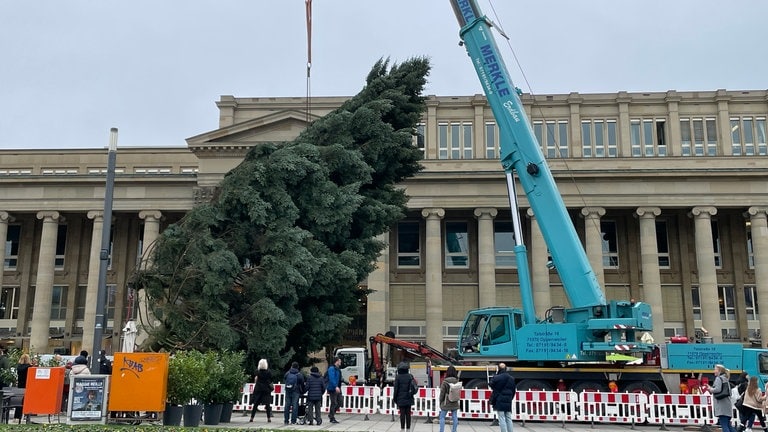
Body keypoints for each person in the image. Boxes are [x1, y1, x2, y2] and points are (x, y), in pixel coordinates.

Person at [708, 364, 737, 432]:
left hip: (722, 406)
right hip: (726, 405)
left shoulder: (719, 378)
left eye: (715, 369)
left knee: (724, 425)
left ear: (719, 371)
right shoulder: (725, 378)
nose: (714, 371)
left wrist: (710, 389)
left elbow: (717, 389)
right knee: (728, 425)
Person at [490, 362, 516, 432]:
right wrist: (510, 398)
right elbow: (513, 390)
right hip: (508, 399)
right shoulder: (511, 378)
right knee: (508, 417)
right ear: (506, 368)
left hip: (499, 399)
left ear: (498, 368)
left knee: (501, 418)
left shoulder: (496, 377)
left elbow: (491, 384)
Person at [392, 361, 415, 432]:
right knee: (408, 414)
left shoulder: (398, 377)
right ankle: (408, 428)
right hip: (409, 397)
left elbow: (396, 389)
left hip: (400, 398)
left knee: (402, 414)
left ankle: (402, 428)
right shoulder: (410, 376)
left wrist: (395, 398)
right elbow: (413, 387)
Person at [249, 358, 273, 423]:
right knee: (267, 404)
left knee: (255, 404)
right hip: (266, 389)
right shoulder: (269, 372)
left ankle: (252, 417)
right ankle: (268, 418)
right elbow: (271, 379)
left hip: (258, 388)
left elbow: (256, 379)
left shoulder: (257, 371)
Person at [439, 365, 460, 432]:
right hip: (454, 400)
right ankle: (454, 430)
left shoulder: (445, 382)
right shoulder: (457, 381)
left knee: (442, 417)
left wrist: (440, 401)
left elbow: (442, 393)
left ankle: (441, 431)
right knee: (454, 417)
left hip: (446, 401)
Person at [326, 356, 342, 424]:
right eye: (339, 361)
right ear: (337, 361)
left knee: (340, 402)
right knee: (334, 403)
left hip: (338, 388)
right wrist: (335, 386)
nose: (340, 362)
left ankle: (331, 414)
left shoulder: (338, 369)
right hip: (333, 388)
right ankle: (331, 417)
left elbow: (339, 378)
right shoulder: (331, 369)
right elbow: (332, 378)